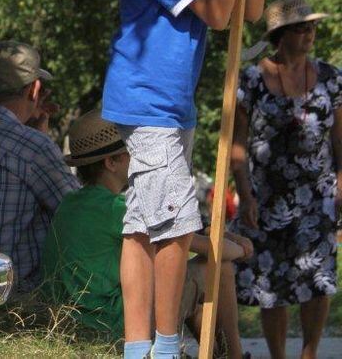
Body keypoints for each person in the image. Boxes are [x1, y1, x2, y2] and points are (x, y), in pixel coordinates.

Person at [100, 0, 267, 359]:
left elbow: (250, 11)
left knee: (144, 227)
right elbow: (217, 14)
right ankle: (165, 347)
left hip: (172, 103)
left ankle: (137, 348)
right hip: (148, 99)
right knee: (174, 227)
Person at [42, 109, 252, 358]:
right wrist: (242, 249)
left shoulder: (73, 202)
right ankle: (236, 355)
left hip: (71, 319)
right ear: (111, 162)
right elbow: (202, 247)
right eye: (134, 150)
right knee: (217, 268)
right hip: (109, 322)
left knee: (187, 287)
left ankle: (217, 353)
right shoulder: (115, 208)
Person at [230, 0, 341, 359]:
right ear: (280, 35)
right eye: (301, 28)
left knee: (318, 279)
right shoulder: (252, 79)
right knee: (270, 280)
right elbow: (237, 145)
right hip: (267, 197)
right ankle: (278, 356)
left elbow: (339, 137)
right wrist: (245, 195)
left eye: (312, 26)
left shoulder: (330, 78)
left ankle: (309, 353)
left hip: (318, 193)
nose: (310, 33)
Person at [0, 41, 79, 292]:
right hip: (12, 290)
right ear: (34, 89)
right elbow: (77, 208)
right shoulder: (33, 147)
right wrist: (41, 138)